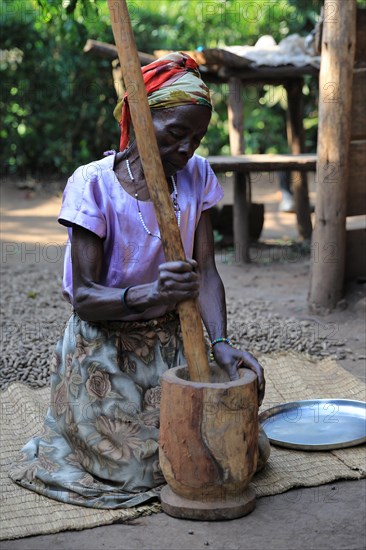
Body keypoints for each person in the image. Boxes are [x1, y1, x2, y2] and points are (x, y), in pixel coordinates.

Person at [9, 52, 269, 509]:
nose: (187, 149)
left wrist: (221, 342)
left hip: (173, 342)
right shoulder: (93, 184)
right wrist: (151, 293)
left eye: (197, 137)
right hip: (104, 351)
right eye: (175, 134)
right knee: (137, 468)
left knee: (240, 451)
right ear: (141, 118)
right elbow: (86, 297)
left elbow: (206, 272)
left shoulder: (196, 176)